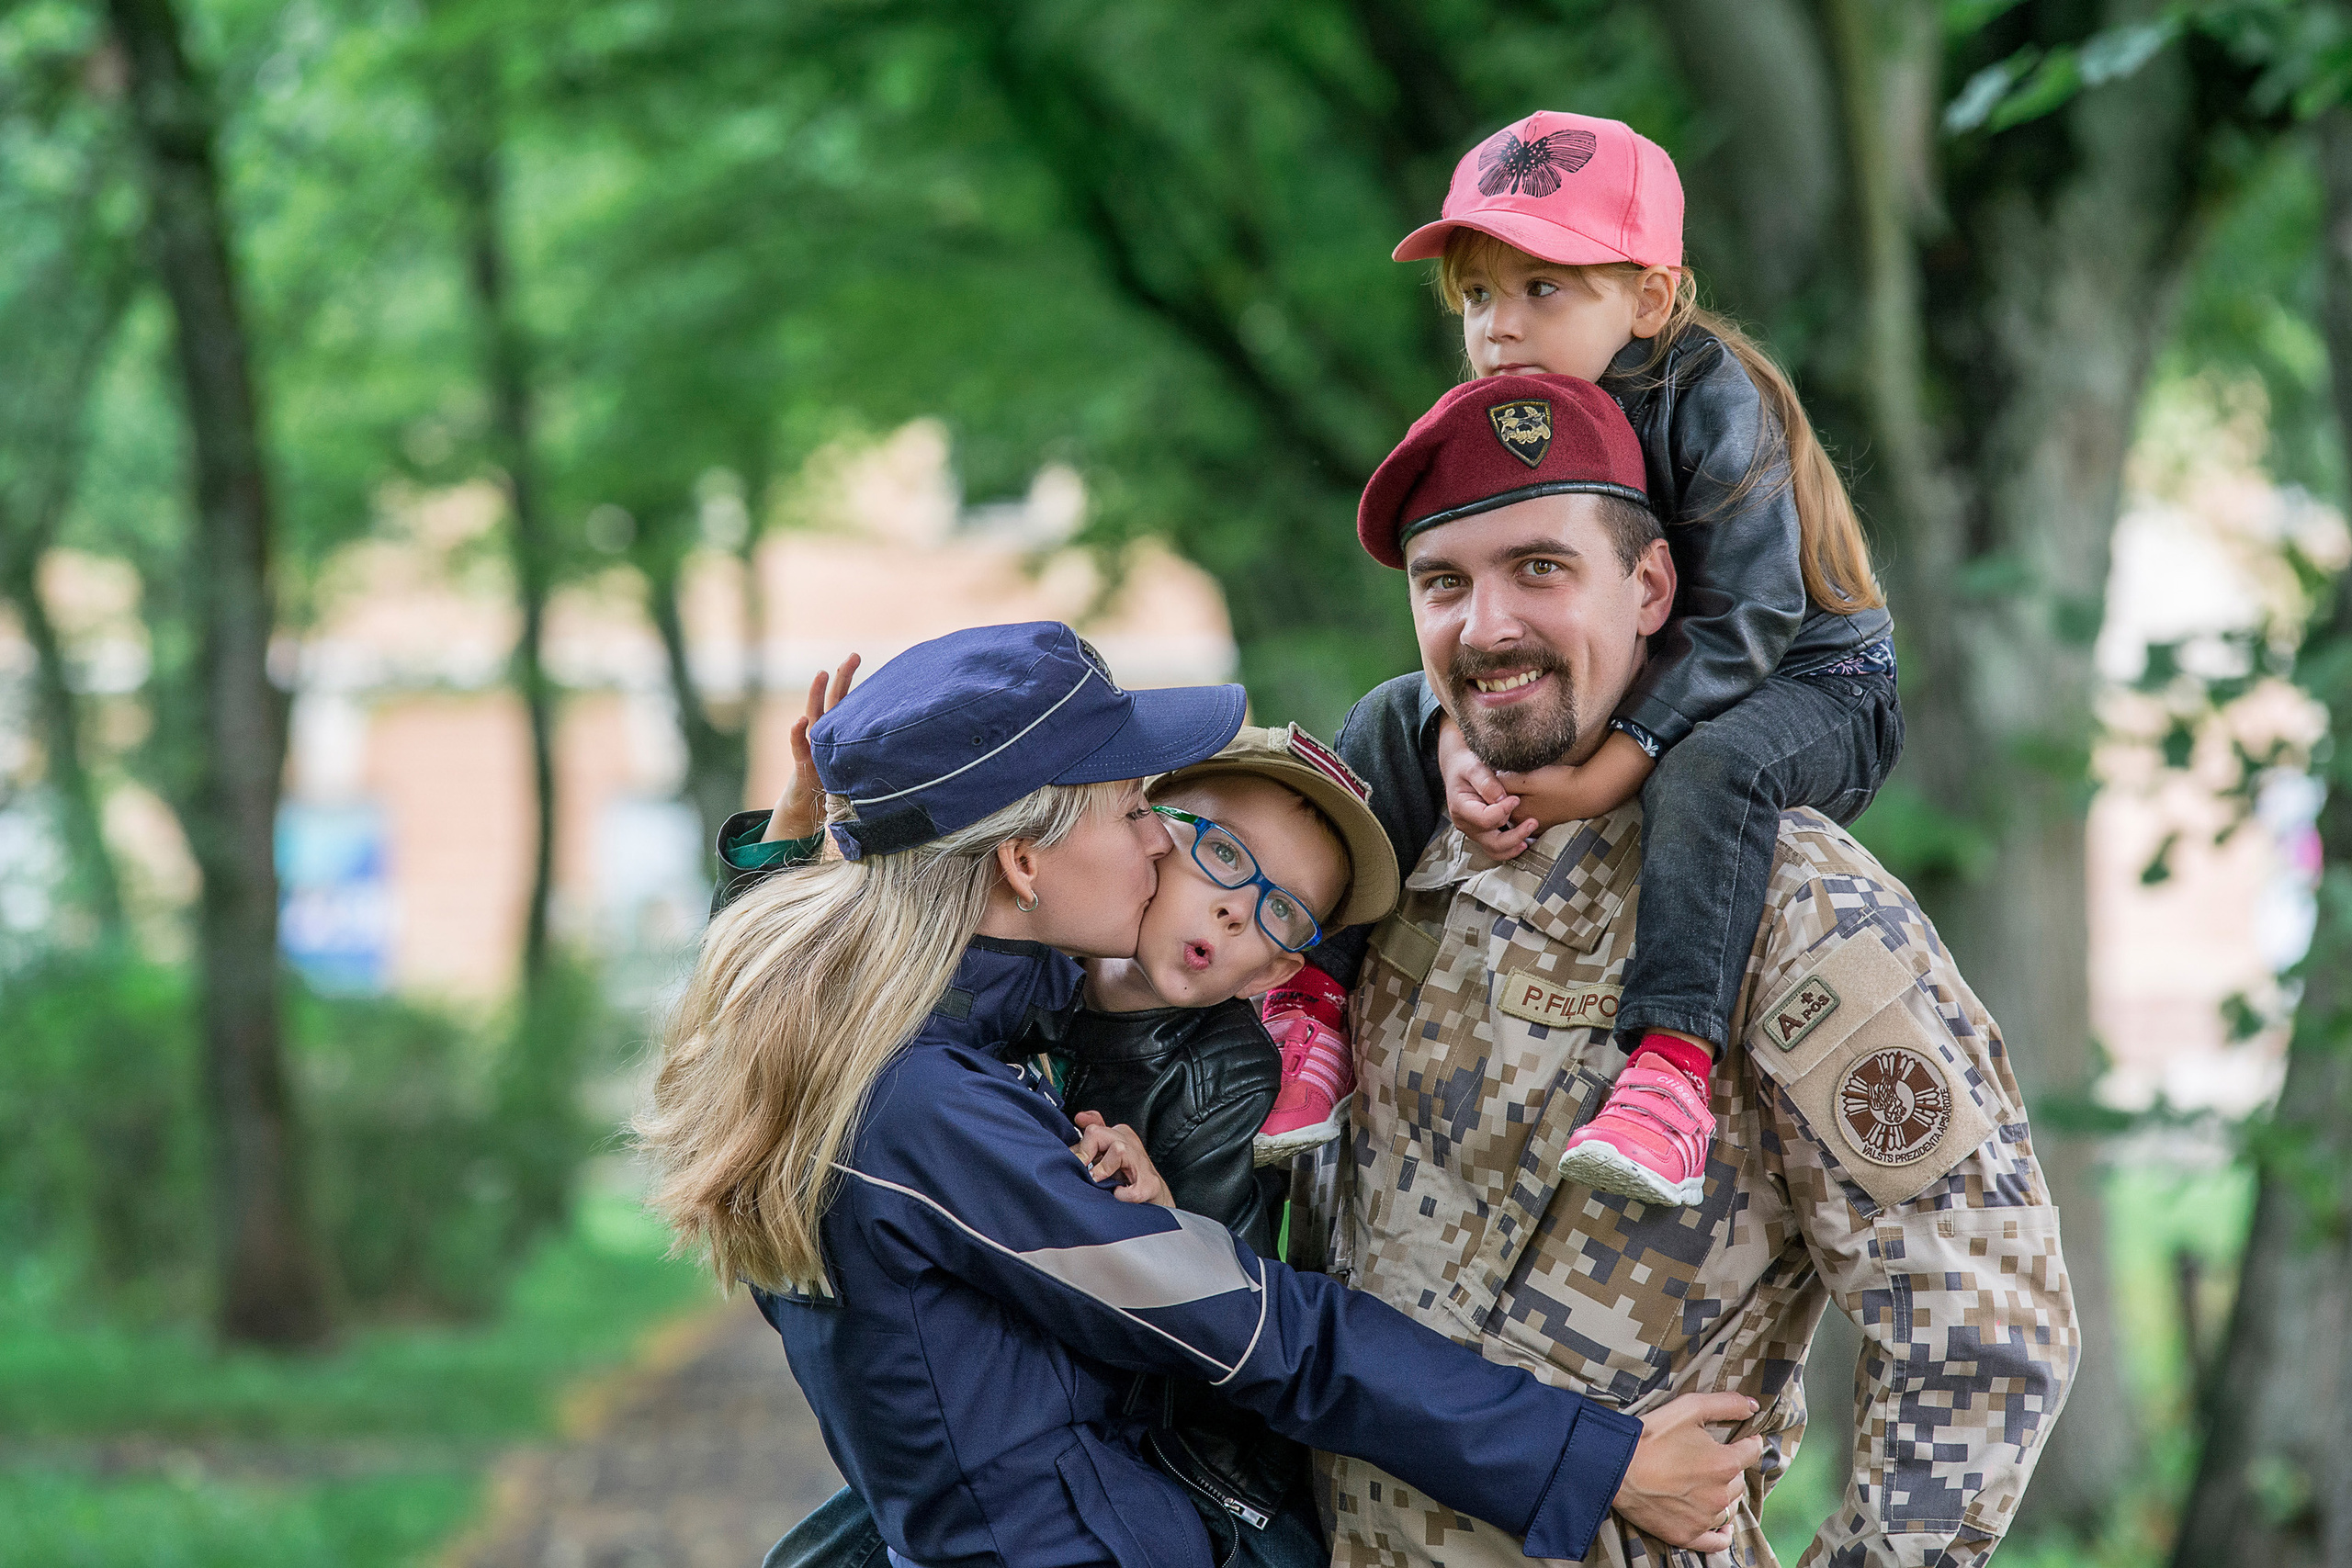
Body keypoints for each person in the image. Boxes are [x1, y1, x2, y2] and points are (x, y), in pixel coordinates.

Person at [639, 620, 1759, 1568]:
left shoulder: (861, 1030)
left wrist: (793, 857)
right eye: (1133, 809)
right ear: (1023, 865)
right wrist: (1598, 1462)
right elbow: (1263, 1333)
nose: (1155, 841)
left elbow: (795, 976)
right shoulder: (921, 1110)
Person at [1288, 382, 2077, 1565]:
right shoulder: (1393, 853)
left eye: (1540, 569)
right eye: (1442, 583)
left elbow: (1981, 1331)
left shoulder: (1789, 903)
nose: (1485, 628)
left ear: (1651, 587)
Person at [1258, 111, 1903, 1213]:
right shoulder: (1511, 411)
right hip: (1650, 670)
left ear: (1649, 299)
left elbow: (1746, 618)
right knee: (1382, 716)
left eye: (1542, 288)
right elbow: (1486, 613)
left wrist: (1616, 765)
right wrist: (1456, 737)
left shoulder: (1712, 402)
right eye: (1476, 296)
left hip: (1806, 680)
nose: (1500, 325)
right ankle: (1311, 1001)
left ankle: (1671, 1072)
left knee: (1714, 770)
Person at [735, 716, 1402, 1565]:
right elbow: (807, 1021)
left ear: (1277, 970)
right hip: (1030, 1405)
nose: (1237, 908)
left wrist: (1168, 1223)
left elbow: (1222, 1340)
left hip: (1175, 1463)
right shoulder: (1040, 968)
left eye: (1281, 911)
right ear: (1146, 837)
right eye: (1223, 853)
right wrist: (784, 860)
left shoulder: (1226, 1074)